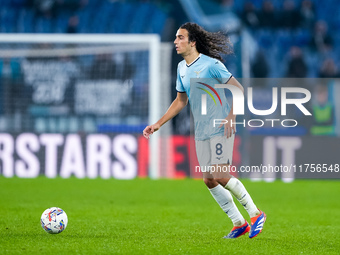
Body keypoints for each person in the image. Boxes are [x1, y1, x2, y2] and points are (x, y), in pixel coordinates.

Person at [143, 22, 266, 239]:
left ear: (192, 42)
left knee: (219, 173)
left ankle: (255, 213)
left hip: (220, 126)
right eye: (175, 37)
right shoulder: (181, 68)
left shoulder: (211, 65)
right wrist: (158, 123)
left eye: (180, 37)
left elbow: (237, 89)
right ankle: (239, 223)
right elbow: (180, 101)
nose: (175, 41)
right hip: (201, 130)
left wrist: (231, 117)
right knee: (209, 179)